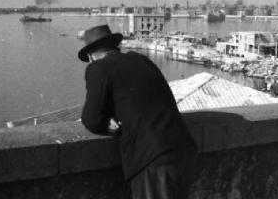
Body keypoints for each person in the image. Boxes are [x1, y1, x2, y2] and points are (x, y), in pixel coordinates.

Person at [79, 24, 197, 199]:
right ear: (114, 46)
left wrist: (109, 125)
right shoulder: (141, 60)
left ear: (90, 56)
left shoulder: (98, 68)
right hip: (183, 149)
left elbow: (91, 119)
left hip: (153, 159)